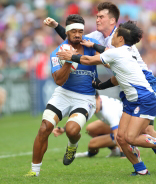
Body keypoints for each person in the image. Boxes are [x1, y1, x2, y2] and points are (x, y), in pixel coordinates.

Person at [44, 2, 156, 174]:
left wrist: (73, 57)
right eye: (97, 16)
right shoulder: (98, 36)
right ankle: (144, 167)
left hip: (143, 83)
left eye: (101, 16)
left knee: (144, 129)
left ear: (112, 20)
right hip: (124, 85)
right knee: (126, 135)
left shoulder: (121, 38)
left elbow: (93, 58)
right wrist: (56, 26)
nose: (97, 19)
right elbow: (74, 38)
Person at [25, 14, 101, 177]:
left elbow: (107, 57)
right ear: (67, 32)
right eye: (73, 31)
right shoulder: (56, 53)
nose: (77, 34)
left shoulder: (91, 45)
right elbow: (58, 80)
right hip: (63, 94)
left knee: (72, 131)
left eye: (80, 31)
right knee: (45, 128)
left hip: (86, 97)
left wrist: (76, 57)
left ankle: (72, 146)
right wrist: (68, 62)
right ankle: (34, 171)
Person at [52, 91, 142, 160]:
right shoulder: (95, 104)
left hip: (128, 130)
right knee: (90, 128)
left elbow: (117, 132)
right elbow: (79, 119)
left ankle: (128, 147)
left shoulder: (108, 110)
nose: (93, 106)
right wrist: (64, 129)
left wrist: (124, 154)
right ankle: (115, 150)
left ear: (98, 98)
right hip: (122, 125)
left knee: (92, 144)